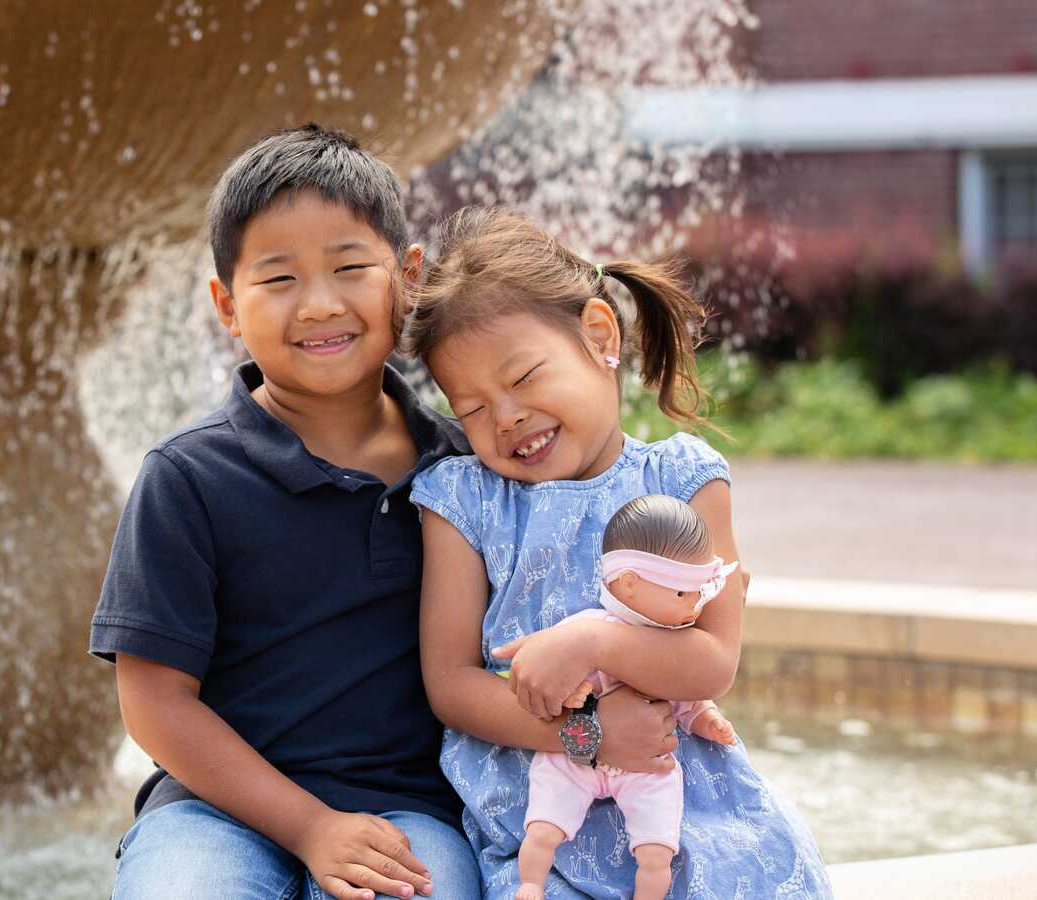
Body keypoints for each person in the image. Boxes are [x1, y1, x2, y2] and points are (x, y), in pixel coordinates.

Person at [88, 126, 682, 900]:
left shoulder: (468, 473)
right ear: (226, 306)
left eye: (348, 268)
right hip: (212, 811)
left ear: (405, 279)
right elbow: (155, 704)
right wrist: (309, 826)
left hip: (413, 812)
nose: (321, 304)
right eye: (278, 280)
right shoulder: (188, 476)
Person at [404, 206, 831, 899]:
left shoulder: (686, 481)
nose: (504, 416)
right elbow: (450, 684)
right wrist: (589, 736)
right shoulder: (463, 504)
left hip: (684, 802)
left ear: (599, 335)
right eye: (472, 408)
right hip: (545, 824)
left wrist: (596, 639)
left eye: (523, 377)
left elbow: (713, 661)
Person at [511, 494, 741, 900]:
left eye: (698, 594)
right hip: (575, 756)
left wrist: (706, 719)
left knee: (657, 847)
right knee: (544, 824)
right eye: (681, 594)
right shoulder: (584, 628)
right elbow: (551, 679)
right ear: (631, 584)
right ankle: (531, 882)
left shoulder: (680, 646)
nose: (694, 608)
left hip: (647, 765)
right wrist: (572, 692)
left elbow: (690, 699)